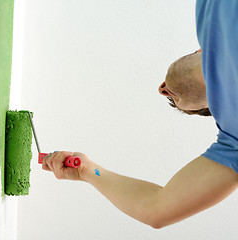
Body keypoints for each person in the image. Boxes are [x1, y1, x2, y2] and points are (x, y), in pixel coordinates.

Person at [42, 1, 238, 229]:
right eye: (174, 100)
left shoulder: (212, 13)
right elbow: (157, 207)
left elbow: (155, 210)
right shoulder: (234, 141)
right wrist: (85, 169)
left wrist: (87, 172)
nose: (163, 90)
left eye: (170, 96)